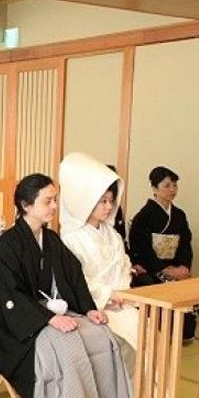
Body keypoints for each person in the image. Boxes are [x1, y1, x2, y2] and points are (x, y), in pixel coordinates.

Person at [0, 173, 132, 398]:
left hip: (50, 312)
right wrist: (49, 319)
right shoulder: (8, 245)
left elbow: (73, 276)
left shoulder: (51, 240)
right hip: (17, 324)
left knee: (101, 334)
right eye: (48, 201)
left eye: (55, 200)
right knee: (66, 344)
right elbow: (9, 295)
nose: (54, 206)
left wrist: (87, 310)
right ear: (26, 205)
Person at [59, 153, 138, 371]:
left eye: (111, 201)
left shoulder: (112, 234)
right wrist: (108, 296)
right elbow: (76, 280)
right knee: (130, 341)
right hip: (93, 305)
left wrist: (122, 293)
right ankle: (132, 395)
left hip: (121, 301)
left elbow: (124, 266)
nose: (108, 206)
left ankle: (153, 393)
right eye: (102, 201)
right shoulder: (71, 238)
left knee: (150, 334)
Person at [129, 166, 196, 340]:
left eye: (174, 185)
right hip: (153, 268)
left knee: (188, 288)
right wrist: (163, 269)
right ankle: (159, 335)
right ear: (154, 188)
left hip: (175, 265)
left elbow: (185, 243)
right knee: (154, 286)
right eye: (167, 185)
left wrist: (183, 266)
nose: (172, 190)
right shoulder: (143, 216)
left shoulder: (179, 215)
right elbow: (141, 247)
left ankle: (184, 333)